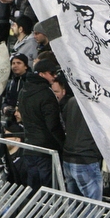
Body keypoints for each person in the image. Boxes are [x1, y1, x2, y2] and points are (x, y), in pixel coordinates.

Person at [17, 55, 64, 190]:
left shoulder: (23, 91)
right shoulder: (46, 94)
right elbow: (53, 125)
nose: (55, 76)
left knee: (34, 191)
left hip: (29, 148)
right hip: (45, 151)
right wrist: (63, 145)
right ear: (42, 74)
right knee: (49, 192)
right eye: (52, 73)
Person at [61, 76, 103, 200]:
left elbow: (64, 123)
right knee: (92, 208)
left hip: (68, 158)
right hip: (86, 160)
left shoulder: (72, 101)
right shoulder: (97, 107)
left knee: (74, 206)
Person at [1, 53, 29, 126]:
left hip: (25, 121)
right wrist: (5, 108)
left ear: (25, 66)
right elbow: (6, 101)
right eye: (13, 63)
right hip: (11, 122)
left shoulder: (30, 82)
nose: (15, 65)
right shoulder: (10, 83)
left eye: (19, 63)